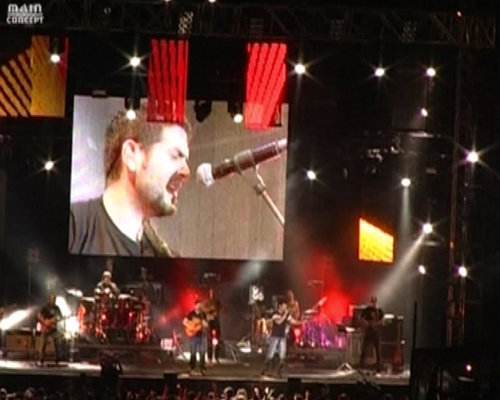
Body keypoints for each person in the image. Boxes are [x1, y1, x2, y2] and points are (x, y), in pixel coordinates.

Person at [69, 107, 191, 257]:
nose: (186, 172)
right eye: (175, 155)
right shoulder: (73, 227)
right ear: (131, 155)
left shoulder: (166, 260)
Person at [261, 299, 300, 377]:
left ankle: (279, 372)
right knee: (270, 355)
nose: (285, 308)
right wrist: (285, 315)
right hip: (274, 337)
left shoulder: (286, 315)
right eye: (284, 306)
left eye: (286, 306)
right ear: (280, 306)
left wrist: (302, 322)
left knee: (282, 355)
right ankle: (265, 370)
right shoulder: (275, 314)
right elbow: (279, 322)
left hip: (282, 337)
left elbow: (293, 321)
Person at [182, 300, 208, 375]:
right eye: (198, 305)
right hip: (193, 336)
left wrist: (204, 323)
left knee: (202, 352)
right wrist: (191, 327)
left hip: (202, 336)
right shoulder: (191, 314)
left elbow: (206, 325)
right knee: (193, 352)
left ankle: (202, 369)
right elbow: (184, 322)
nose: (199, 307)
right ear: (195, 306)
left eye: (200, 305)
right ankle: (191, 367)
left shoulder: (203, 314)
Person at [359, 295, 384, 371]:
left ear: (376, 301)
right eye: (372, 301)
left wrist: (375, 324)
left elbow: (382, 321)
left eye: (374, 301)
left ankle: (378, 366)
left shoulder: (379, 310)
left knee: (378, 350)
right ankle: (361, 365)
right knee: (364, 348)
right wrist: (367, 323)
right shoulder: (367, 310)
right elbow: (361, 318)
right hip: (368, 331)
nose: (373, 302)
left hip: (376, 332)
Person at [37, 293, 64, 365]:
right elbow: (39, 315)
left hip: (53, 328)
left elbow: (60, 317)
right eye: (52, 299)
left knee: (58, 341)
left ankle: (57, 359)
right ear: (49, 299)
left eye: (54, 299)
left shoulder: (57, 308)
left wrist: (53, 320)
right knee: (42, 344)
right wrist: (44, 321)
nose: (53, 300)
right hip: (46, 328)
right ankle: (41, 359)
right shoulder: (45, 307)